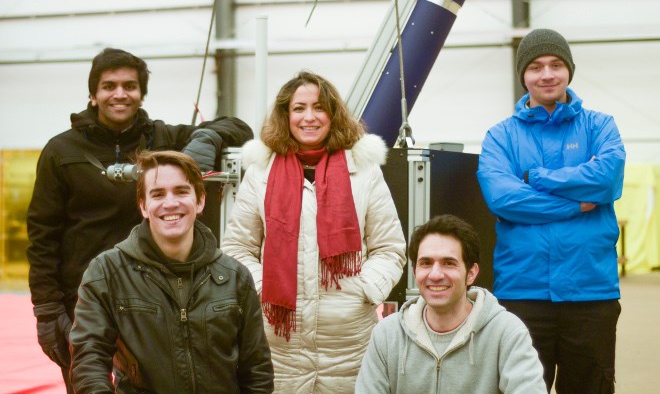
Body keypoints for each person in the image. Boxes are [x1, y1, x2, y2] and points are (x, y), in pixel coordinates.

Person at [26, 48, 253, 392]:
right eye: (109, 86)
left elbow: (239, 127)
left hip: (152, 303)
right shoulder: (61, 152)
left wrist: (206, 137)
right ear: (93, 94)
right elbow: (42, 236)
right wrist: (46, 311)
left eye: (130, 86)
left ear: (141, 94)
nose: (120, 94)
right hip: (84, 301)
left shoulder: (164, 140)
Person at [221, 71, 406, 393]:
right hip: (277, 343)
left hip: (350, 342)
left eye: (319, 107)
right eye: (298, 108)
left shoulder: (364, 171)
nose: (309, 117)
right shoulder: (259, 173)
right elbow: (237, 248)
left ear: (332, 114)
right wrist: (265, 288)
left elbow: (389, 247)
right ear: (285, 115)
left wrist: (364, 289)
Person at [477, 29, 626, 393]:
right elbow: (504, 199)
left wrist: (538, 178)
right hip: (522, 292)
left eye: (556, 64)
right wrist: (577, 202)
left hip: (591, 292)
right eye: (536, 66)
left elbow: (606, 180)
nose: (546, 74)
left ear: (569, 70)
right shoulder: (500, 137)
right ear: (523, 76)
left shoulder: (599, 126)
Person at [68, 150, 274, 393]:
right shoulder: (108, 273)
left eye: (181, 191)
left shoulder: (234, 276)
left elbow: (257, 371)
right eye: (157, 194)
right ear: (144, 206)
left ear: (200, 201)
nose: (170, 203)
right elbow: (88, 360)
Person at [355, 214, 546, 394]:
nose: (435, 274)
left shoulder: (506, 332)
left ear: (471, 273)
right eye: (426, 263)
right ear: (414, 272)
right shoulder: (387, 334)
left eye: (449, 263)